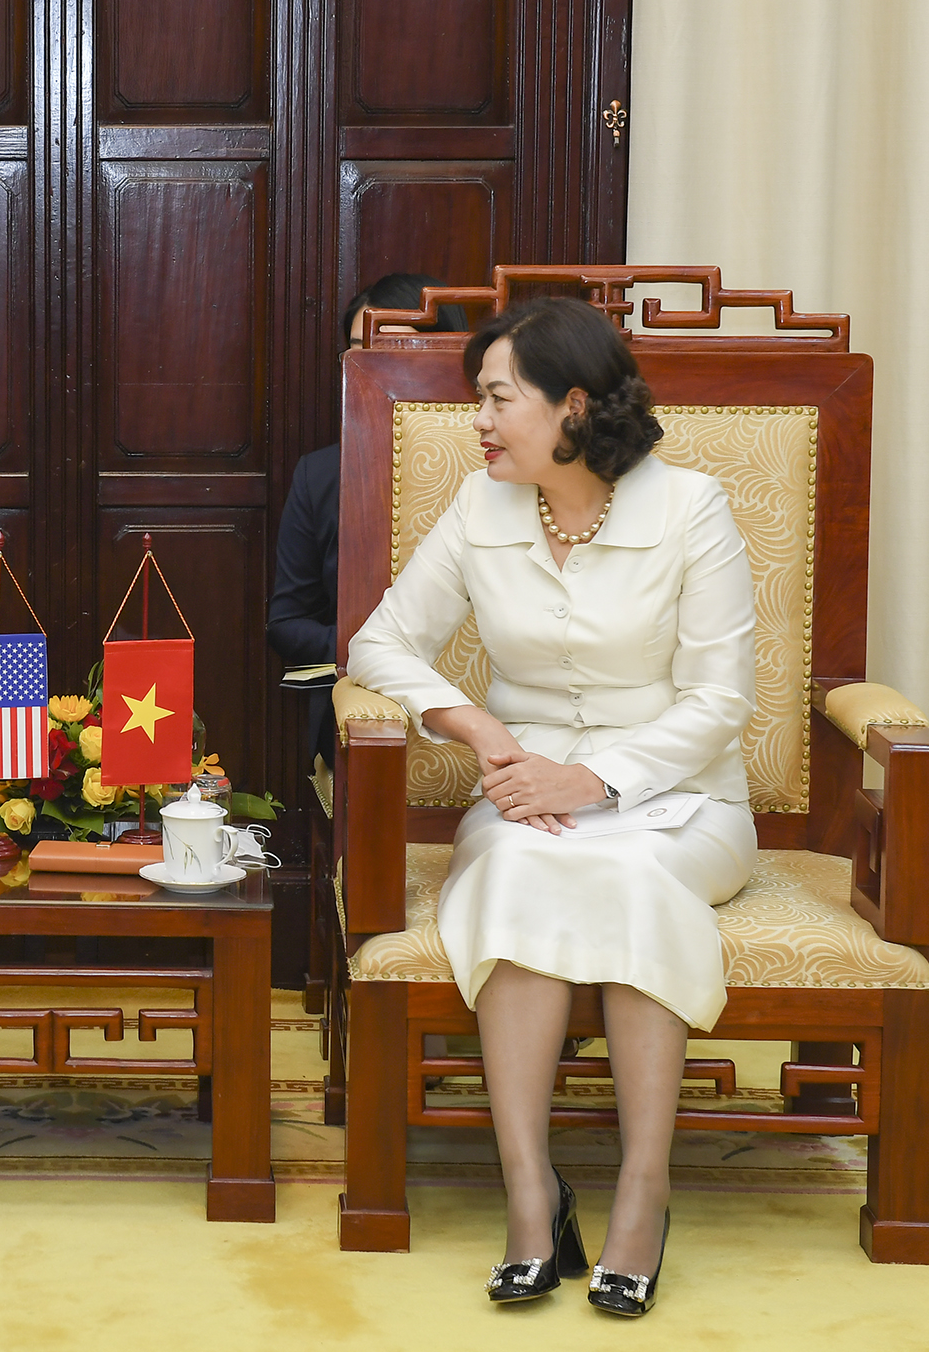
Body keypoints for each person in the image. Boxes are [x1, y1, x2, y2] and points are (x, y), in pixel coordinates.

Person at [344, 295, 755, 1318]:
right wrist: (481, 730)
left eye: (497, 399)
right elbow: (377, 645)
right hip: (523, 791)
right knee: (522, 867)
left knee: (626, 870)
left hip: (679, 800)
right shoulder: (480, 506)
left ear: (572, 405)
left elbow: (719, 701)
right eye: (476, 399)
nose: (477, 421)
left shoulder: (690, 507)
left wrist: (598, 780)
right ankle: (531, 1196)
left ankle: (643, 1196)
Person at [268, 274, 468, 772]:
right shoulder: (321, 475)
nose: (371, 365)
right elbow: (287, 625)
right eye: (359, 349)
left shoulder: (506, 466)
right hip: (369, 699)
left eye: (395, 347)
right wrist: (377, 646)